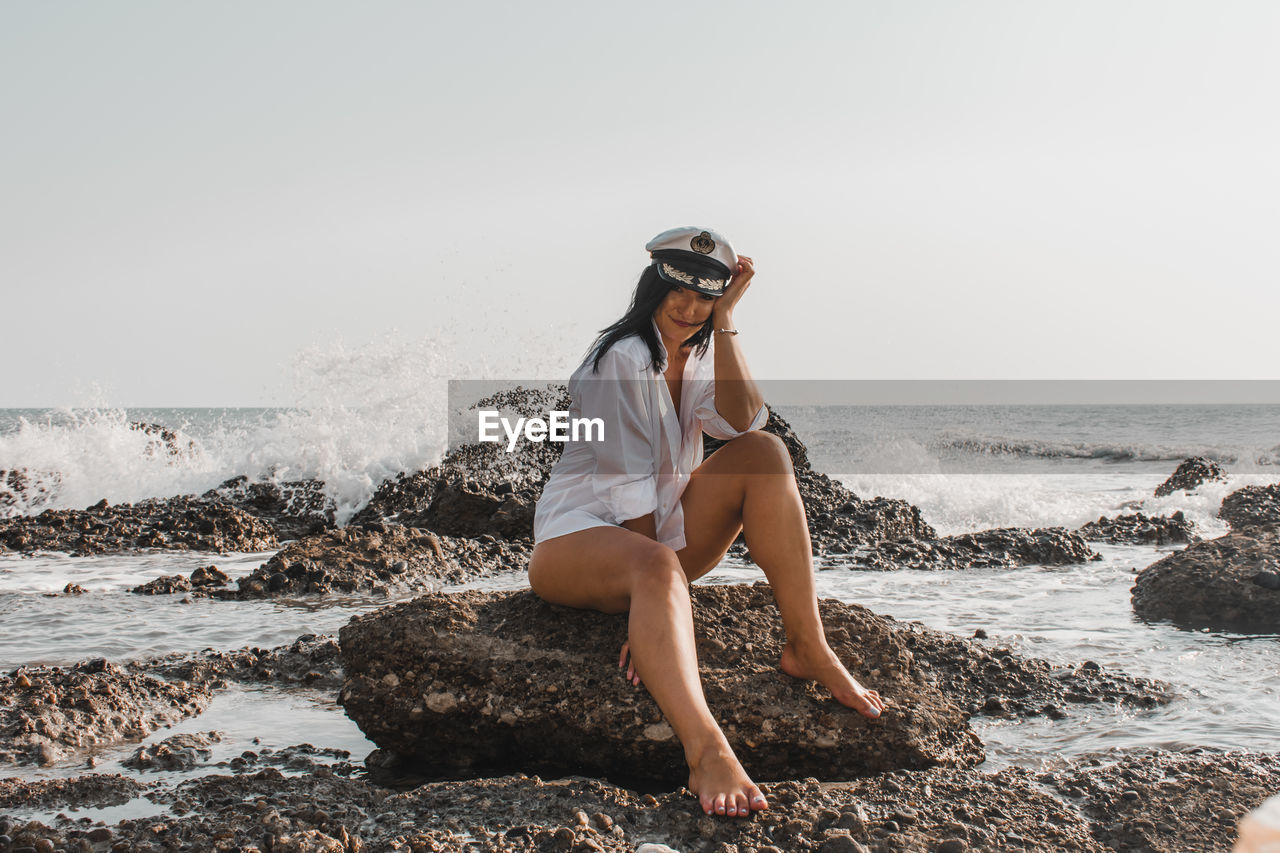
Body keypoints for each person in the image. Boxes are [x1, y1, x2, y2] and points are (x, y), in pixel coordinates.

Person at [529, 226, 886, 819]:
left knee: (766, 454)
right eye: (678, 292)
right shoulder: (618, 360)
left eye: (705, 299)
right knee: (655, 564)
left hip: (662, 542)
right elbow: (625, 487)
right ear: (654, 286)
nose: (688, 308)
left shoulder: (696, 351)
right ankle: (707, 751)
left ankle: (808, 646)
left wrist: (726, 325)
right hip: (578, 542)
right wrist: (652, 605)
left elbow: (742, 422)